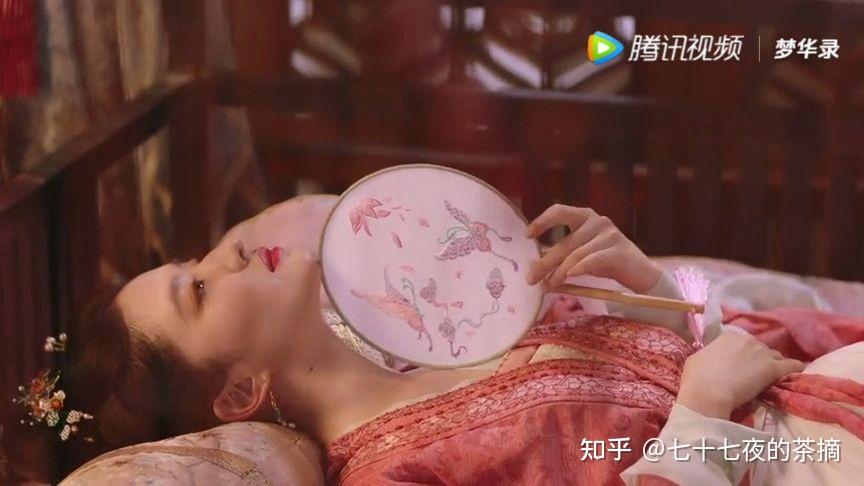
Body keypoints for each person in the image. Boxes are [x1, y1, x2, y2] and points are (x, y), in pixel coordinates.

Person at [0, 196, 833, 485]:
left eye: (197, 258)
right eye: (201, 290)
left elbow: (655, 395)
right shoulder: (392, 474)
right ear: (238, 392)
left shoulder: (450, 338)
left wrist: (651, 293)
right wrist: (705, 407)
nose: (234, 251)